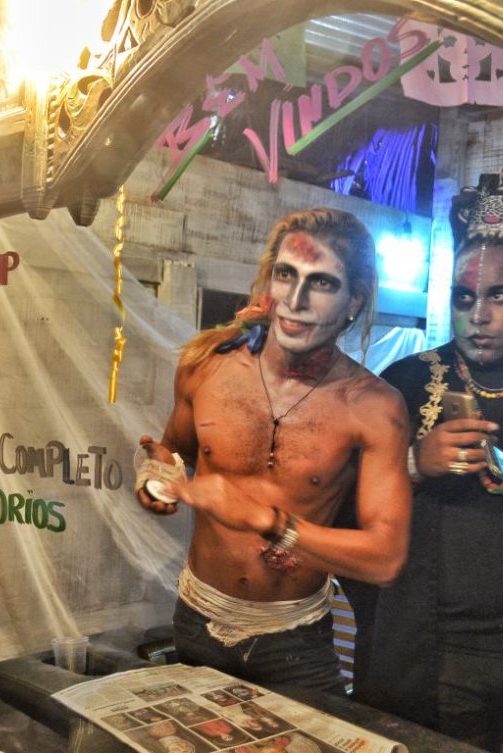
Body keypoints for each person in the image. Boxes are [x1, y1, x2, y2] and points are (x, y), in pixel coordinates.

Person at [340, 166, 503, 752]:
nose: (478, 315)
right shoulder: (405, 382)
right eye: (463, 297)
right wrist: (413, 465)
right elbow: (337, 501)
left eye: (498, 296)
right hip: (420, 649)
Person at [135, 208, 412, 693]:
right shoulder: (205, 365)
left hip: (295, 642)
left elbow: (384, 558)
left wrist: (268, 521)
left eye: (321, 282)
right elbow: (174, 451)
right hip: (197, 621)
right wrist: (156, 477)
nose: (296, 300)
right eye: (286, 275)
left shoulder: (374, 407)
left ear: (354, 301)